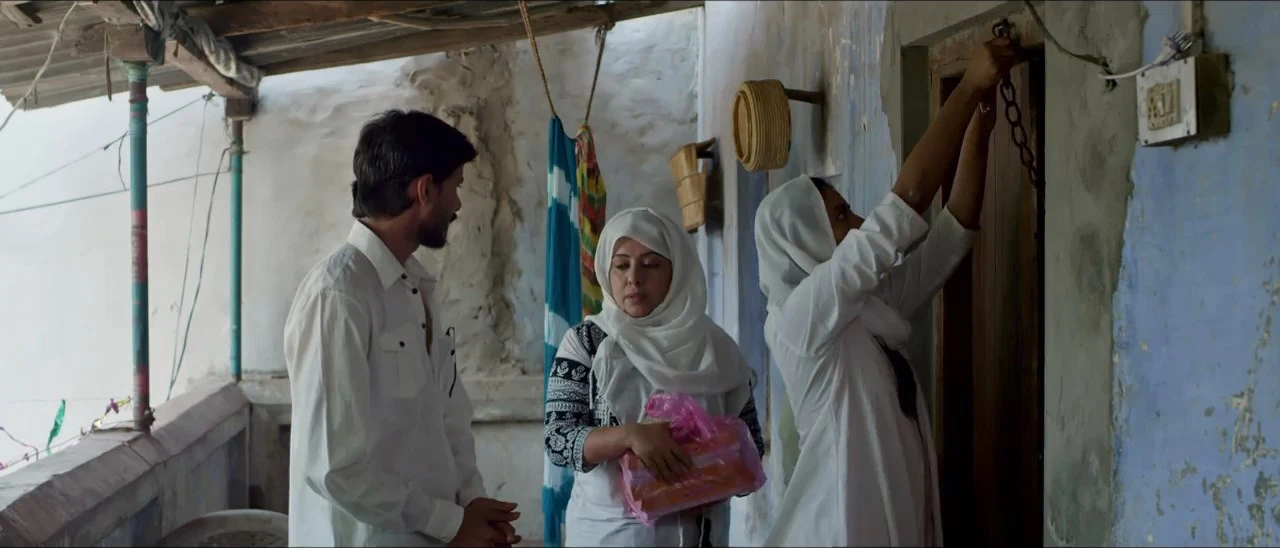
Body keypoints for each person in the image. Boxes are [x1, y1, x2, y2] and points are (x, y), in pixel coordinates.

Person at [754, 37, 1019, 547]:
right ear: (801, 237)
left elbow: (950, 238)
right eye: (839, 215)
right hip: (836, 531)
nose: (856, 222)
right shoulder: (798, 320)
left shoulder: (865, 312)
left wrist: (980, 126)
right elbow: (907, 203)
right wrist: (967, 87)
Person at [283, 110, 521, 547]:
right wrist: (449, 523)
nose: (458, 206)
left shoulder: (415, 287)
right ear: (425, 190)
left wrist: (470, 505)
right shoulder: (338, 294)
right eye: (455, 187)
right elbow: (334, 467)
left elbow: (447, 415)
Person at [543, 207, 765, 546]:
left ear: (677, 272)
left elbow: (752, 444)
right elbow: (558, 439)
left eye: (650, 265)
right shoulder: (587, 342)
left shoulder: (716, 348)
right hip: (611, 534)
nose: (634, 277)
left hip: (701, 534)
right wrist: (631, 436)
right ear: (606, 271)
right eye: (621, 265)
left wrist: (706, 467)